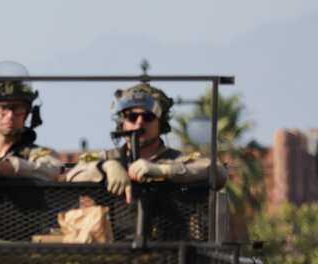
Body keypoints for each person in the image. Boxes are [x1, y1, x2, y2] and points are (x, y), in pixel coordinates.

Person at [65, 83, 215, 198]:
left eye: (148, 117)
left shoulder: (176, 159)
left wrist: (163, 170)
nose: (139, 123)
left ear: (160, 123)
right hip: (116, 237)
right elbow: (72, 176)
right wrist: (106, 167)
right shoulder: (108, 158)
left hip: (170, 238)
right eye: (132, 117)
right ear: (122, 123)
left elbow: (216, 171)